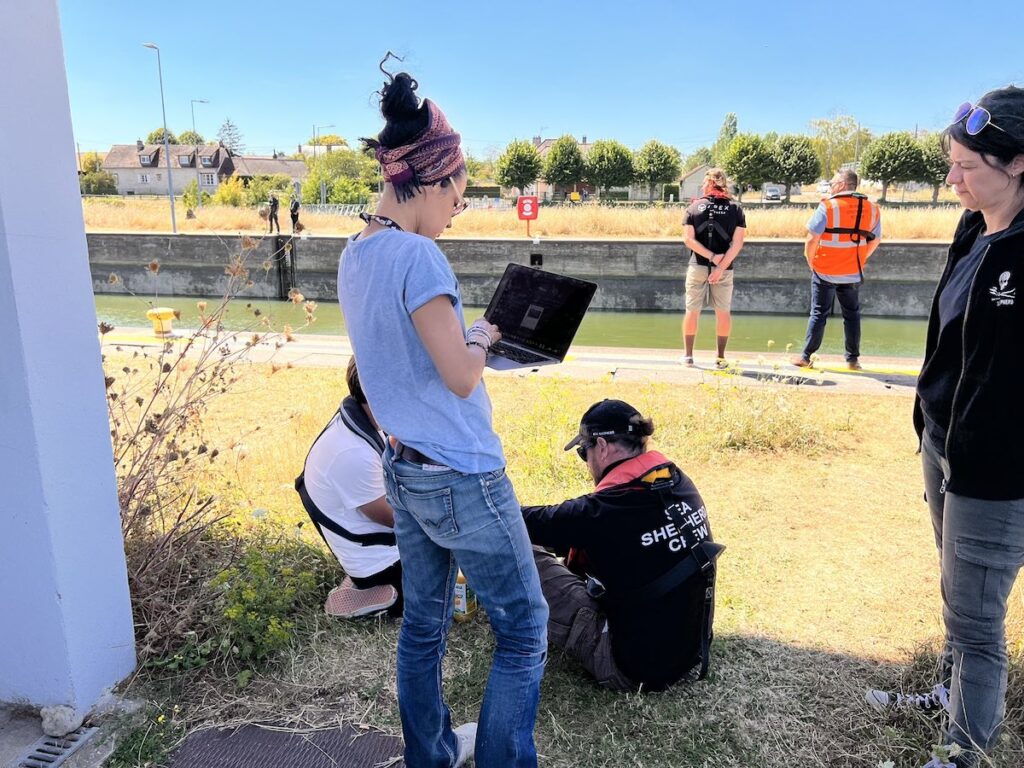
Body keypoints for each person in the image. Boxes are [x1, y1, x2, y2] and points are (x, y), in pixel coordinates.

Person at [337, 62, 547, 768]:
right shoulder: (420, 259)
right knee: (524, 629)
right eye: (457, 187)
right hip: (464, 475)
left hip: (404, 467)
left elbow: (386, 363)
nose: (461, 203)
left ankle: (429, 756)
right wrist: (485, 335)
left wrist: (464, 343)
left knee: (423, 625)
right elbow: (461, 377)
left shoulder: (355, 253)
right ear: (426, 180)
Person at [868, 87, 1024, 768]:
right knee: (955, 588)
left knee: (978, 618)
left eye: (966, 166)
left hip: (995, 468)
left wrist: (978, 448)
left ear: (1017, 162)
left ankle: (965, 751)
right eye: (950, 163)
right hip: (944, 440)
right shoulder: (973, 227)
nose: (951, 179)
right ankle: (949, 692)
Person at [521, 399, 723, 692]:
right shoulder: (677, 481)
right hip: (690, 652)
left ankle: (507, 624)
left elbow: (526, 522)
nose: (586, 462)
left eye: (583, 452)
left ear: (601, 446)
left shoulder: (603, 511)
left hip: (631, 668)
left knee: (523, 549)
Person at [295, 357, 402, 618]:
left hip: (376, 538)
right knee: (446, 592)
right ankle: (371, 594)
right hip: (381, 562)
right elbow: (399, 521)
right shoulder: (351, 453)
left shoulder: (361, 418)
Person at [791, 169, 881, 370]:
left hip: (825, 270)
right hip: (852, 272)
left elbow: (812, 238)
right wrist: (860, 257)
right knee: (852, 315)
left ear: (842, 184)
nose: (831, 186)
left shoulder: (828, 206)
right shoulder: (872, 208)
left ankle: (806, 356)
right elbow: (876, 239)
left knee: (819, 313)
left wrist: (811, 262)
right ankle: (852, 360)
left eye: (833, 183)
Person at [680, 168, 746, 367]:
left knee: (692, 311)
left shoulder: (693, 208)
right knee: (723, 312)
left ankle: (689, 357)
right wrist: (720, 267)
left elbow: (688, 240)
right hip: (725, 269)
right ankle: (720, 358)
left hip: (697, 266)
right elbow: (738, 243)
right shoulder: (735, 209)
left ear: (707, 184)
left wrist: (711, 257)